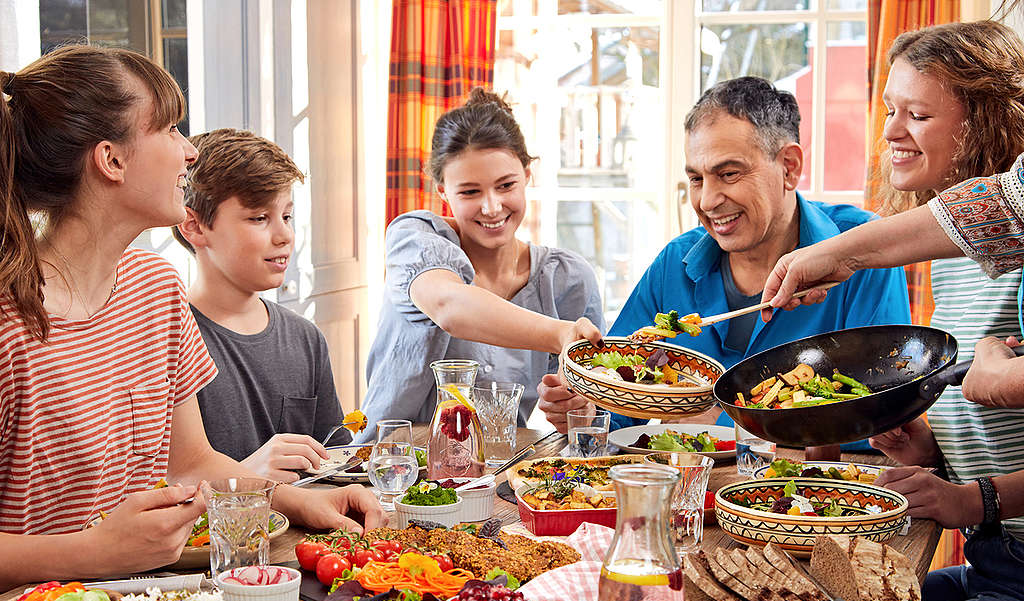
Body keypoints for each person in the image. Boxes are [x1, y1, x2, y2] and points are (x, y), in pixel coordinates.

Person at [0, 45, 382, 590]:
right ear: (112, 161)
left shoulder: (154, 288)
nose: (189, 153)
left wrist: (300, 501)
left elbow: (193, 462)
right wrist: (93, 552)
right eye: (171, 129)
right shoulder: (8, 319)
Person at [764, 23, 1024, 601]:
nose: (891, 132)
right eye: (889, 111)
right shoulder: (950, 252)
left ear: (984, 124)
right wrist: (932, 448)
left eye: (919, 113)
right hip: (994, 562)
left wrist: (975, 500)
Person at [537, 77, 911, 444]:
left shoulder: (862, 250)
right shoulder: (675, 263)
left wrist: (731, 421)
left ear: (790, 168)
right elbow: (618, 402)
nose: (707, 201)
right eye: (696, 179)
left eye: (728, 174)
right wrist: (586, 412)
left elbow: (887, 416)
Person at [360, 88, 604, 439]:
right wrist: (559, 333)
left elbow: (588, 410)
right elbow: (450, 305)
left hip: (498, 470)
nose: (491, 207)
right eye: (470, 192)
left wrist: (575, 407)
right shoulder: (415, 239)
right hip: (394, 469)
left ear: (527, 174)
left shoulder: (567, 279)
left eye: (506, 185)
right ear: (442, 191)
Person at [172, 128, 350, 483]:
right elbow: (163, 485)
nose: (284, 235)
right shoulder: (168, 339)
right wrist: (244, 477)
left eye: (286, 216)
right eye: (259, 218)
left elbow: (336, 461)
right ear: (194, 226)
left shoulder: (305, 338)